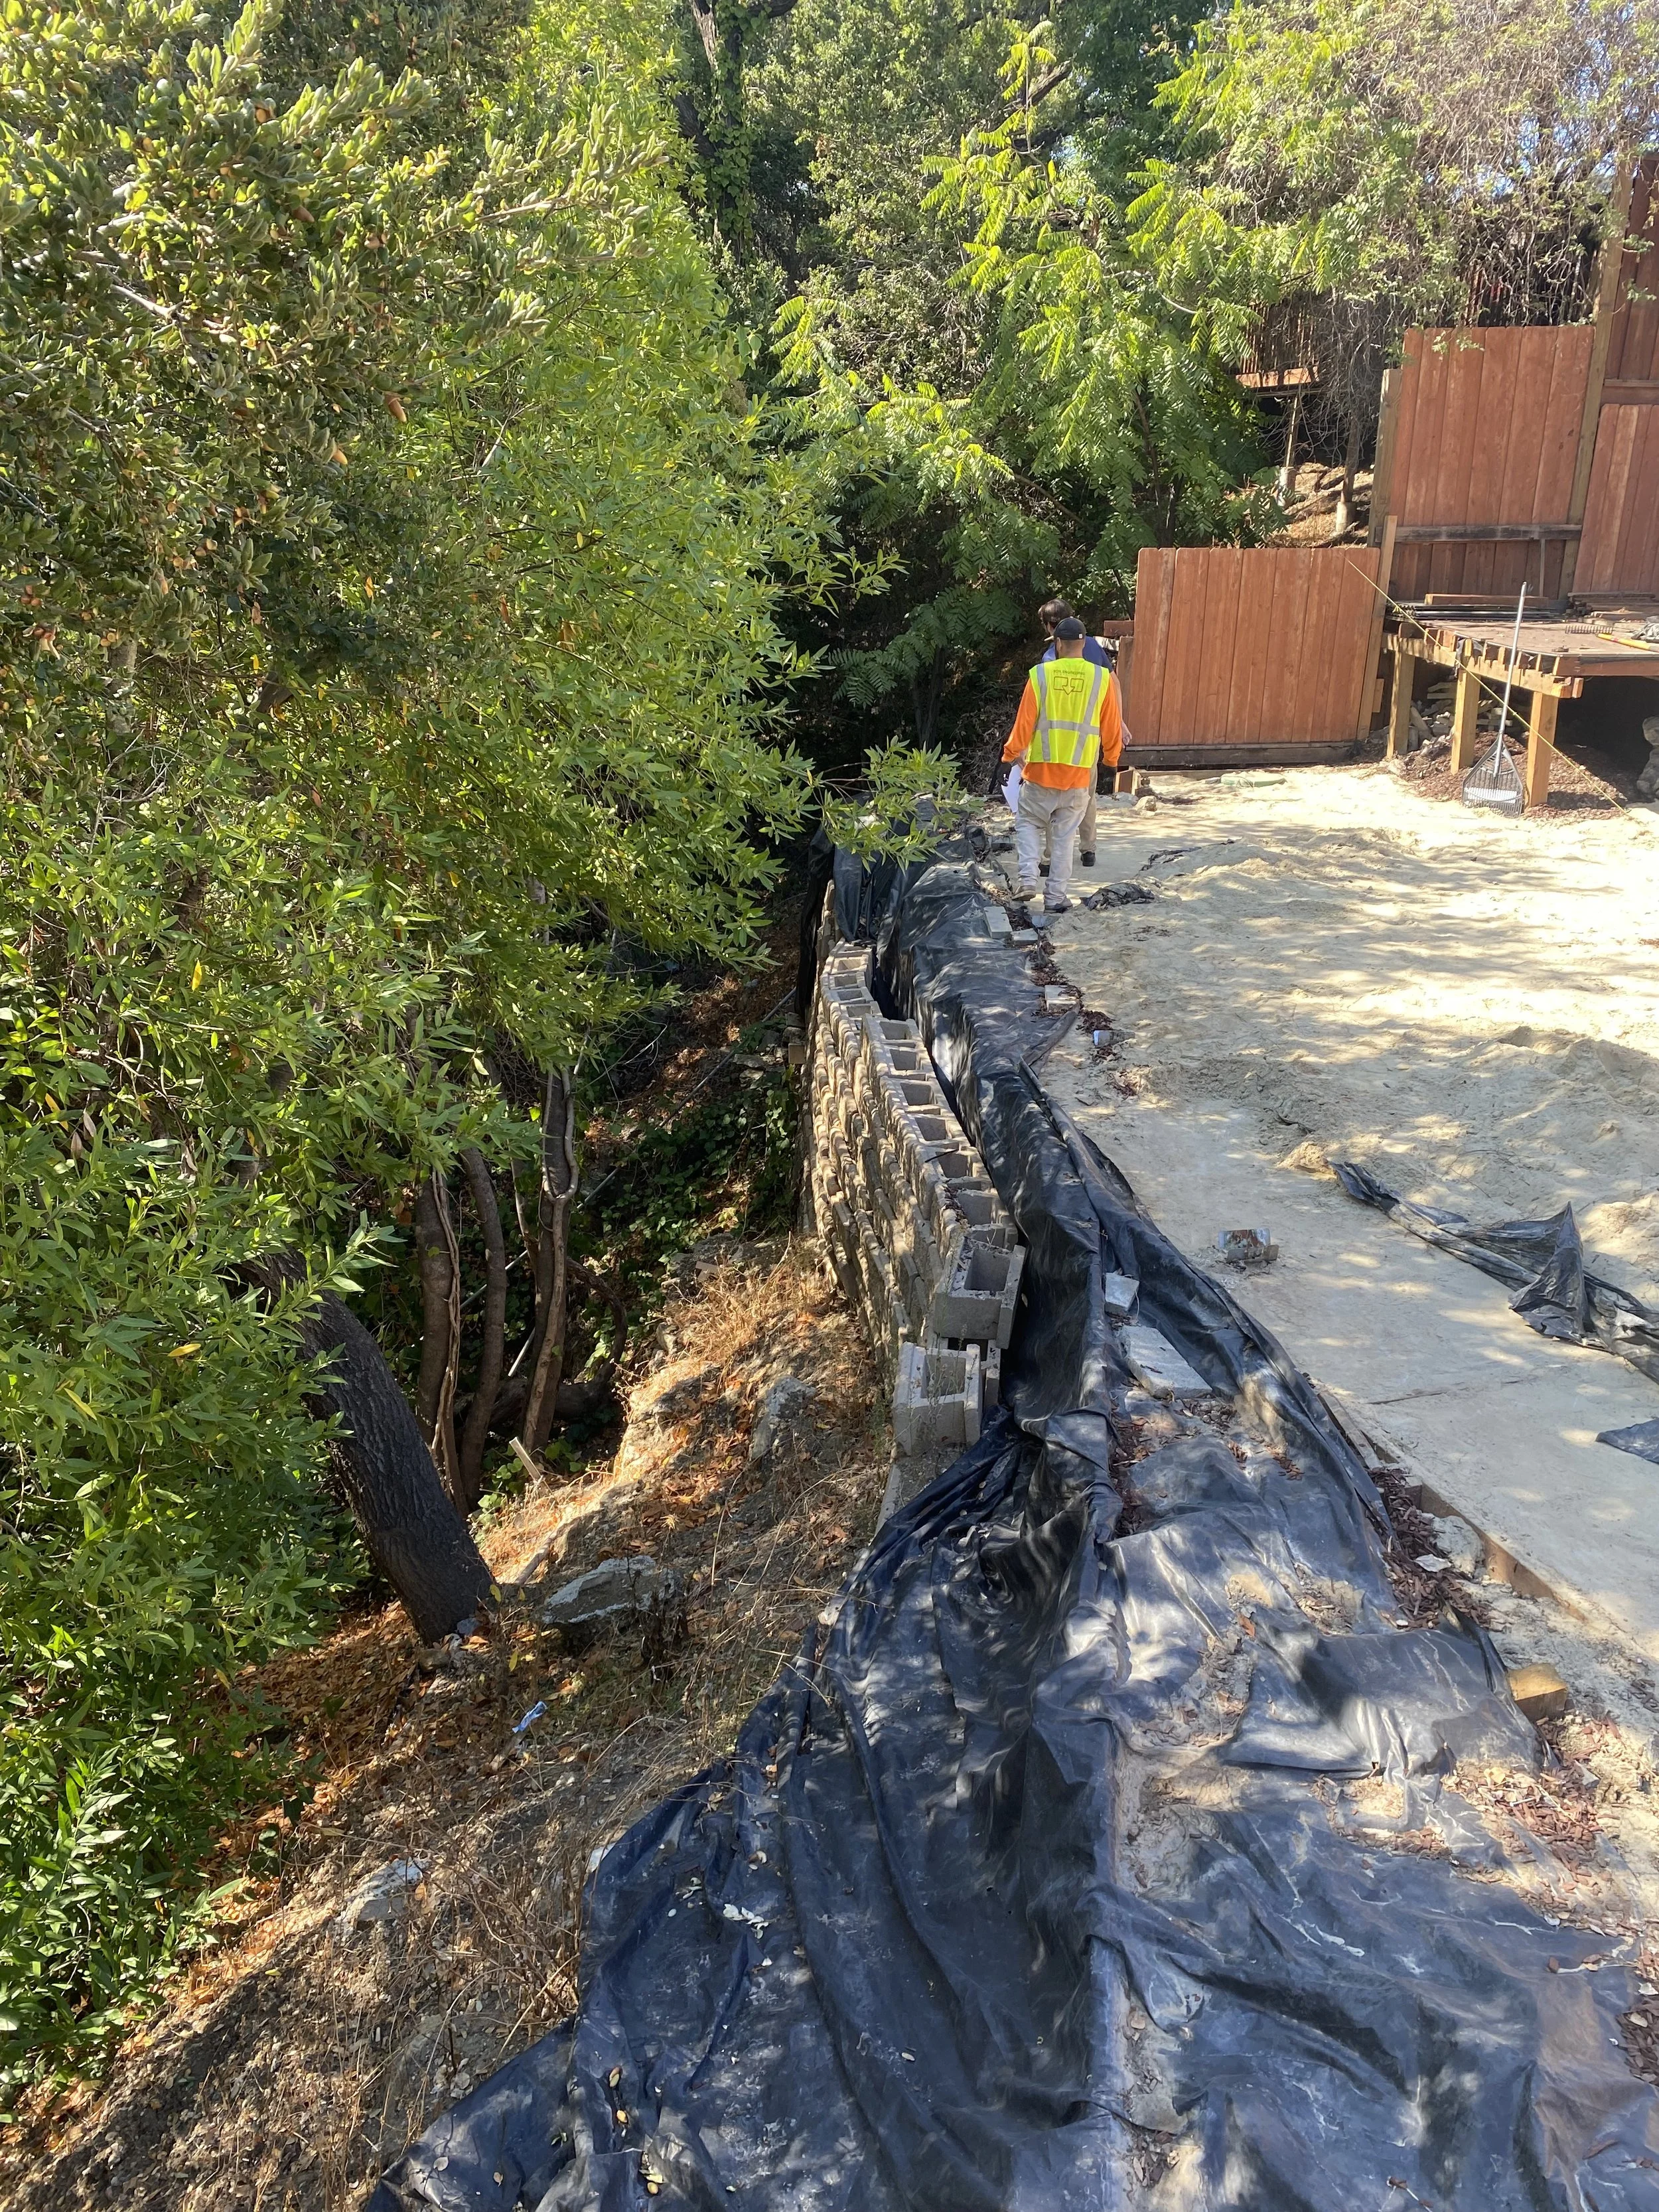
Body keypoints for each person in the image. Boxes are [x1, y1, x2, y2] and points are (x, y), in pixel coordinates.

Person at [1002, 615, 1122, 914]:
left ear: (1057, 643)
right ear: (1084, 644)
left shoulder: (1040, 676)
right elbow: (1111, 726)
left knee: (1029, 822)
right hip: (1079, 775)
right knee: (1065, 835)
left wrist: (1010, 754)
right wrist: (1111, 759)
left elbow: (1024, 723)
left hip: (1041, 772)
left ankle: (1028, 878)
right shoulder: (1101, 678)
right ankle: (1055, 898)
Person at [1038, 598, 1114, 867]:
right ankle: (1088, 849)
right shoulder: (1091, 645)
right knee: (1087, 796)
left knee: (1053, 801)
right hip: (1089, 741)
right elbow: (1112, 685)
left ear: (1050, 628)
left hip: (1056, 744)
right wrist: (1118, 725)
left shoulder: (1049, 659)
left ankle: (1049, 860)